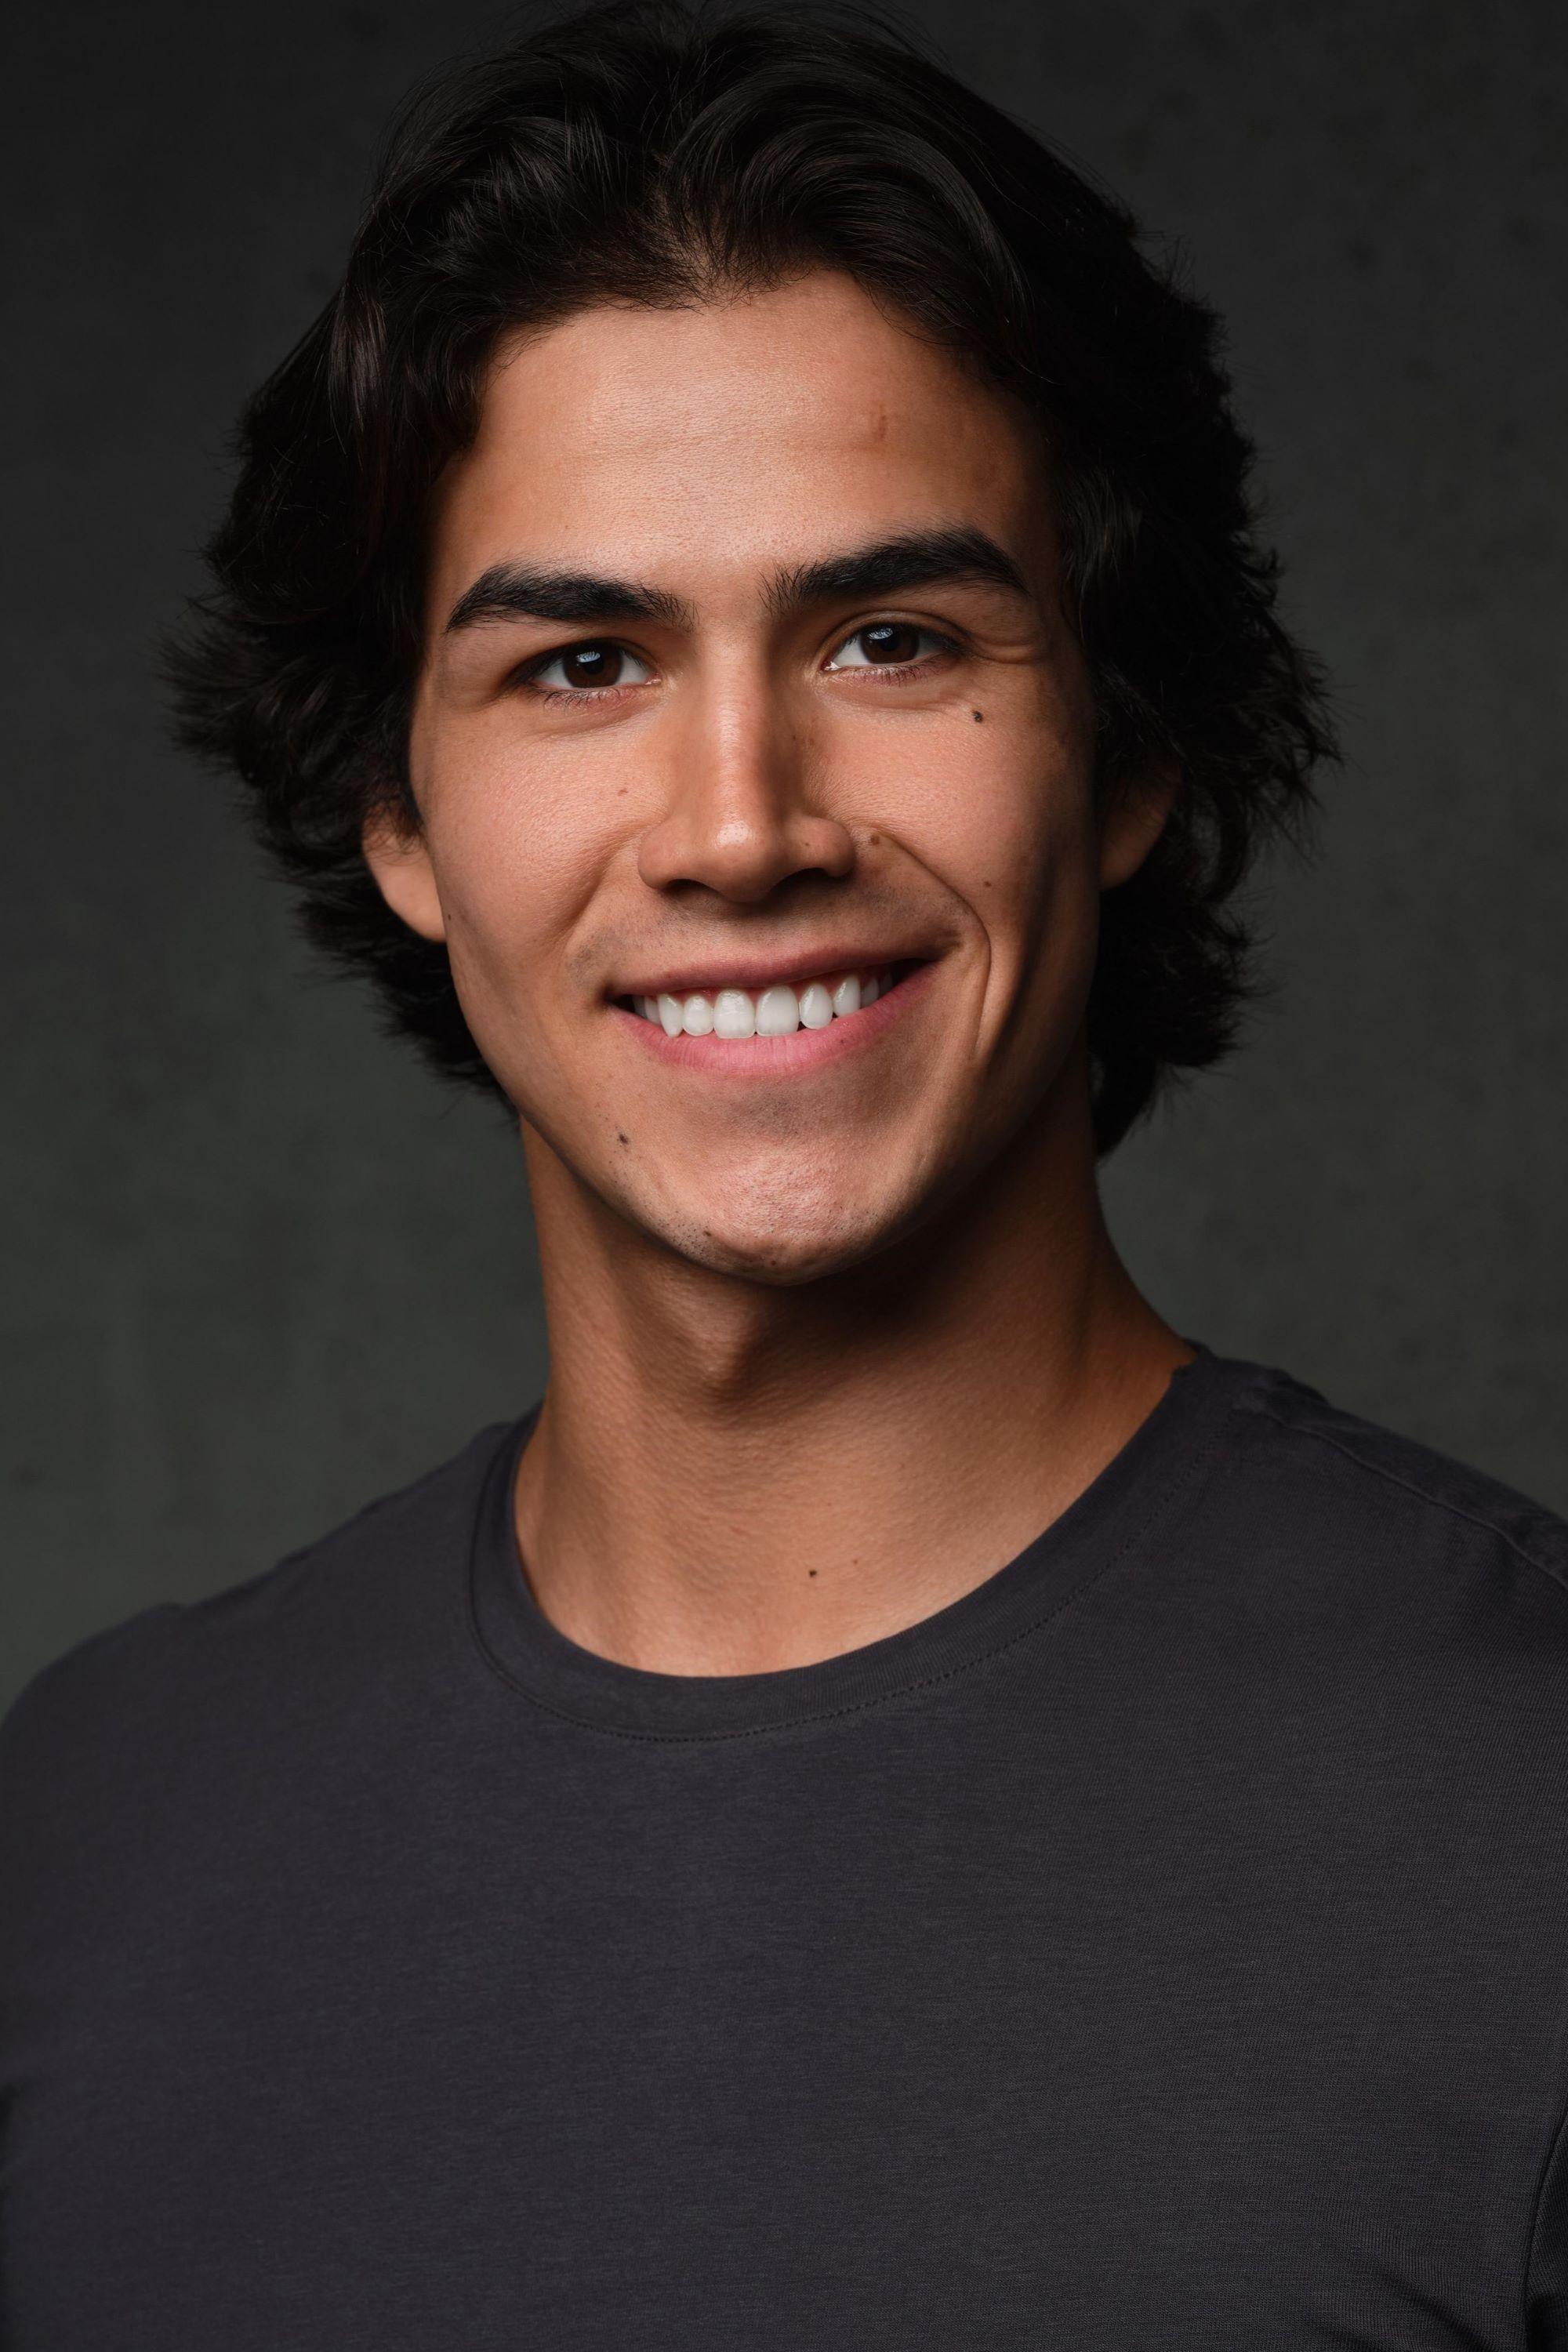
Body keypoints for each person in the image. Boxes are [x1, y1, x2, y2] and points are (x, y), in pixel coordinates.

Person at [2, 2, 1565, 2341]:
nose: (741, 827)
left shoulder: (1528, 1807)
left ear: (1126, 753)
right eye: (581, 665)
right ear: (396, 814)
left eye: (891, 638)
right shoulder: (83, 1841)